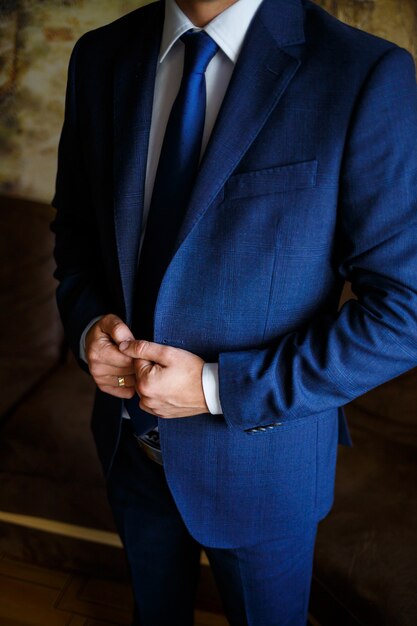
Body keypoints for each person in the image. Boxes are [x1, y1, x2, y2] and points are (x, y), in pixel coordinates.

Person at [51, 0, 417, 623]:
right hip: (125, 441)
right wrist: (90, 325)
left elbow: (405, 314)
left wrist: (219, 387)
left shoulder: (362, 74)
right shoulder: (99, 55)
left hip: (263, 464)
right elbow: (77, 234)